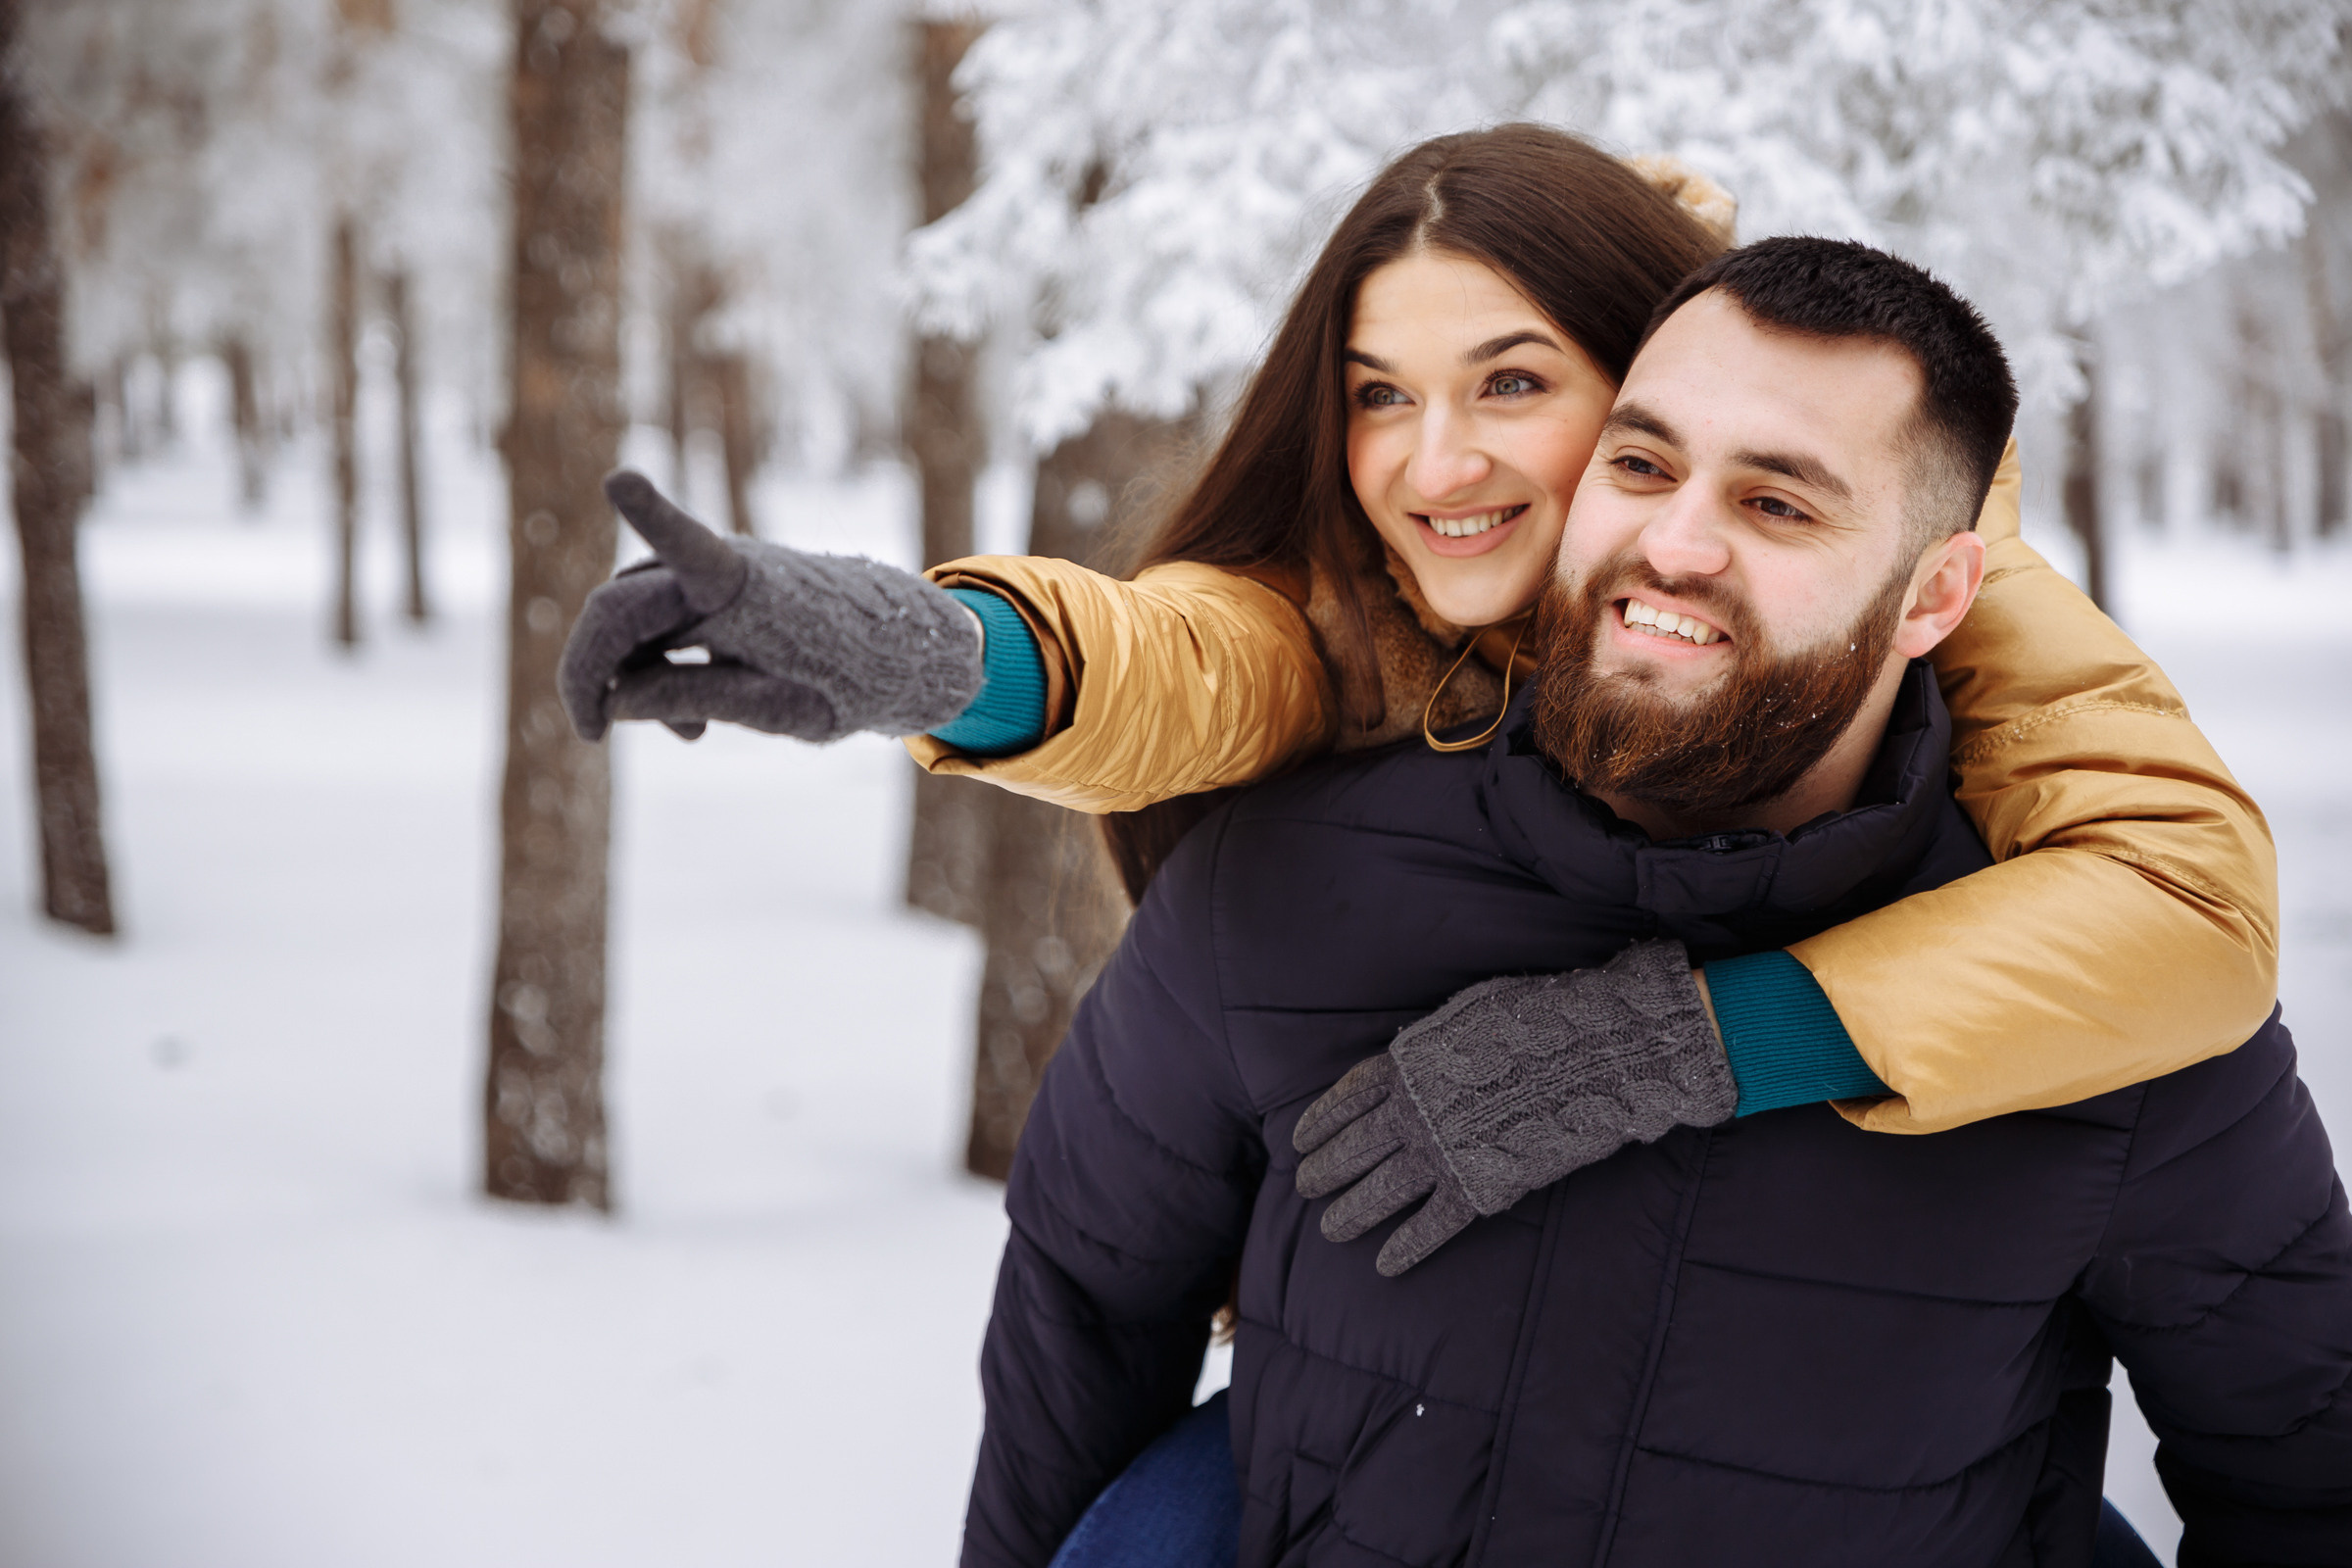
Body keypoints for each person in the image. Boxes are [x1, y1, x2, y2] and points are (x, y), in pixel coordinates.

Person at [559, 127, 2277, 1217]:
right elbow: (1206, 658)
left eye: (1515, 383)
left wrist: (1703, 1039)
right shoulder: (1382, 597)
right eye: (1380, 392)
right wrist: (938, 653)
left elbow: (2190, 900)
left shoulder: (1900, 562)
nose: (1431, 464)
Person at [962, 237, 2352, 1568]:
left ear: (1937, 594)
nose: (1675, 546)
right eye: (1641, 463)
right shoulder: (1287, 884)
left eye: (1777, 503)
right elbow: (1083, 1323)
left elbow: (2301, 1466)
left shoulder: (2109, 1002)